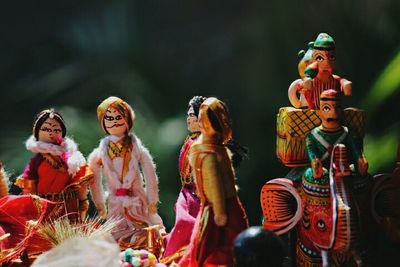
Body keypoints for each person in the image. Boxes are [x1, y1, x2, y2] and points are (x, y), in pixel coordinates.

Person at [179, 97, 248, 267]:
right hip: (217, 207)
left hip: (222, 206)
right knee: (212, 245)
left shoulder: (213, 149)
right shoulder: (209, 152)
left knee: (222, 243)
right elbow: (215, 185)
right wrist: (219, 211)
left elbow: (218, 184)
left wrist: (220, 211)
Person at [88, 96, 164, 248]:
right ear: (103, 122)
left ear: (128, 119)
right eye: (109, 118)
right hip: (115, 202)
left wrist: (152, 200)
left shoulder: (137, 149)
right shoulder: (100, 153)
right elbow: (94, 178)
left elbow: (150, 175)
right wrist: (99, 203)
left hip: (137, 199)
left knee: (144, 229)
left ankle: (144, 248)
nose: (115, 121)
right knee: (115, 232)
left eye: (119, 117)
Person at [15, 109, 93, 222]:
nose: (51, 132)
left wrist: (83, 200)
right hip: (43, 207)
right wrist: (31, 205)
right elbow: (29, 185)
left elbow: (79, 182)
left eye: (56, 129)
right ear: (36, 132)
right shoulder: (37, 161)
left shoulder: (72, 159)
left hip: (68, 208)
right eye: (46, 129)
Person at [162, 96, 206, 264]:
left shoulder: (205, 143)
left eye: (192, 115)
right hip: (187, 190)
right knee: (182, 221)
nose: (188, 118)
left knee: (187, 222)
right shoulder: (189, 140)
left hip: (199, 193)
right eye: (187, 115)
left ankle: (188, 254)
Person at [304, 89, 368, 181]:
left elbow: (357, 152)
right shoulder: (312, 136)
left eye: (337, 107)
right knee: (311, 175)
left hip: (345, 170)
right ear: (320, 111)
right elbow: (313, 155)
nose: (333, 113)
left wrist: (361, 161)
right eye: (326, 108)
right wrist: (316, 164)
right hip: (324, 172)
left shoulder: (348, 133)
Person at [288, 33, 352, 109]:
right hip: (313, 115)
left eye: (331, 57)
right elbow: (295, 87)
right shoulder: (310, 80)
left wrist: (345, 83)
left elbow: (342, 81)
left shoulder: (335, 80)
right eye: (319, 58)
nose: (326, 64)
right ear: (313, 60)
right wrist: (298, 104)